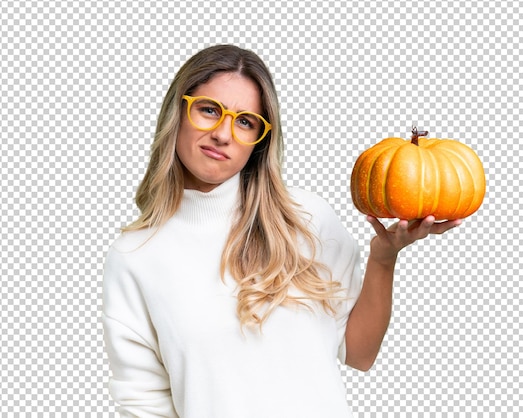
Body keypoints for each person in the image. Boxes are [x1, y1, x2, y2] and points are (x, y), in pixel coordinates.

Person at [102, 44, 461, 418]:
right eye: (209, 110)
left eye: (245, 121)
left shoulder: (308, 218)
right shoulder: (135, 256)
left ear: (259, 140)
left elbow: (359, 354)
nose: (224, 134)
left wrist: (384, 260)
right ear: (177, 112)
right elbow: (143, 404)